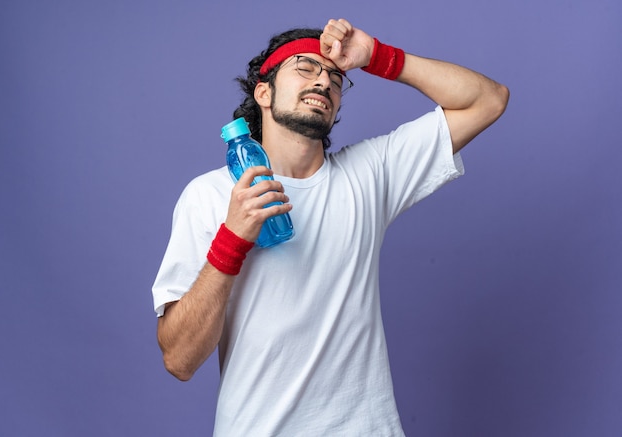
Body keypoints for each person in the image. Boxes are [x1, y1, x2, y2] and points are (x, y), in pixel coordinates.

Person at [152, 18, 509, 436]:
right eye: (305, 67)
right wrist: (231, 240)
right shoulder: (209, 195)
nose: (323, 81)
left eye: (335, 77)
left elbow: (488, 100)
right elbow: (179, 360)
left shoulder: (369, 174)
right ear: (263, 92)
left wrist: (378, 56)